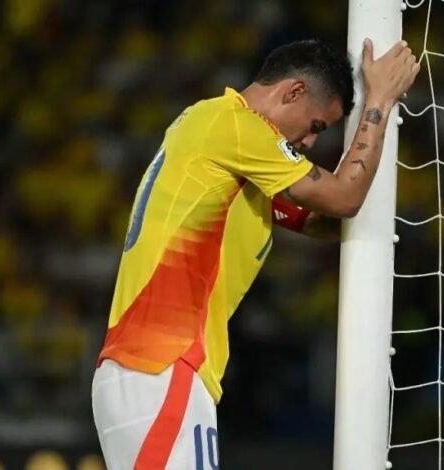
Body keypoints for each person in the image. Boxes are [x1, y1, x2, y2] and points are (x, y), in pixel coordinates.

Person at [91, 38, 419, 468]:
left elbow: (324, 220)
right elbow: (343, 197)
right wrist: (379, 101)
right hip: (162, 365)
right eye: (316, 126)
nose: (309, 142)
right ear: (293, 91)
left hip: (147, 370)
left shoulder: (225, 145)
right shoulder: (236, 127)